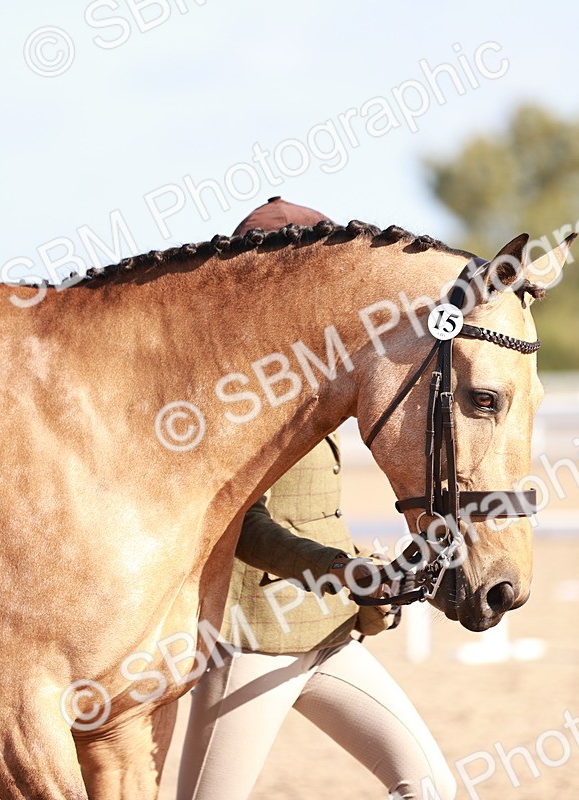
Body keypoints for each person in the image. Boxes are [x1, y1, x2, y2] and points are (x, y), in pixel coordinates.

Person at [176, 198, 456, 800]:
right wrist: (339, 569)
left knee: (434, 787)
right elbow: (241, 526)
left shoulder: (311, 377)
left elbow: (311, 511)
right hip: (256, 637)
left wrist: (376, 577)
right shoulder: (240, 391)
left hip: (329, 632)